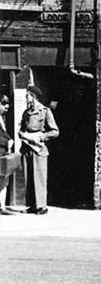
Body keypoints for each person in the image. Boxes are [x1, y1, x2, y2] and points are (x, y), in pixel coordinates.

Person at [18, 84, 59, 215]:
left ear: (33, 96)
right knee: (28, 176)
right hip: (26, 147)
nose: (26, 98)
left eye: (27, 96)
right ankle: (31, 205)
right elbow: (23, 127)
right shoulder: (26, 112)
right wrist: (22, 134)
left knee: (39, 177)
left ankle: (42, 206)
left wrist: (40, 137)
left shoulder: (45, 111)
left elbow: (55, 131)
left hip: (38, 148)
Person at [0, 95, 15, 214]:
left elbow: (4, 133)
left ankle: (2, 206)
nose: (6, 108)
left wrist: (9, 140)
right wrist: (7, 141)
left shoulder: (2, 117)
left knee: (4, 179)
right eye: (4, 105)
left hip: (3, 151)